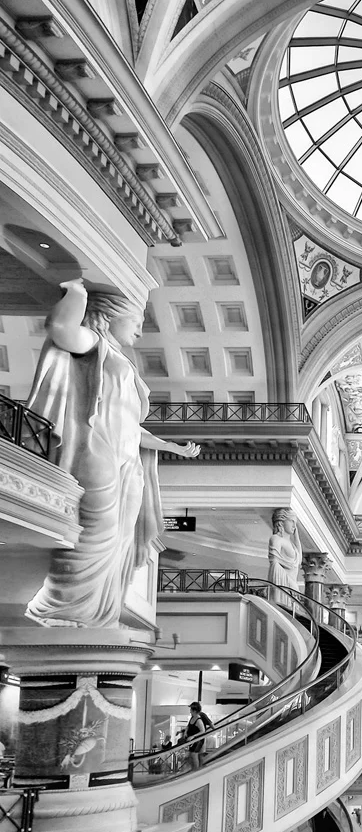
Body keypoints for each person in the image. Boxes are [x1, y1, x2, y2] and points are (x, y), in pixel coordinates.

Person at [24, 279, 199, 628]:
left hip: (128, 460)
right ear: (109, 315)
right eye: (136, 321)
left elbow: (131, 424)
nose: (140, 331)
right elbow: (60, 328)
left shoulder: (122, 361)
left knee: (120, 537)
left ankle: (97, 613)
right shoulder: (95, 343)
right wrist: (77, 291)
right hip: (97, 448)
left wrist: (169, 447)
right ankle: (59, 608)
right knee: (96, 531)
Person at [268, 508, 302, 603]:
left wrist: (296, 537)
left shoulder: (292, 544)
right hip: (286, 584)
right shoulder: (276, 539)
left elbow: (299, 560)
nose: (294, 526)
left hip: (293, 585)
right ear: (281, 522)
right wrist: (291, 584)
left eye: (295, 523)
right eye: (292, 521)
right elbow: (274, 562)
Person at [185, 703, 206, 770]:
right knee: (190, 755)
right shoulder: (192, 718)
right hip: (192, 741)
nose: (190, 711)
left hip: (198, 740)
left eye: (191, 710)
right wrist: (185, 732)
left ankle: (196, 770)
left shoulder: (199, 720)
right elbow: (188, 726)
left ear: (194, 711)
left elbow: (203, 731)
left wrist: (193, 736)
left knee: (194, 754)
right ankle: (193, 769)